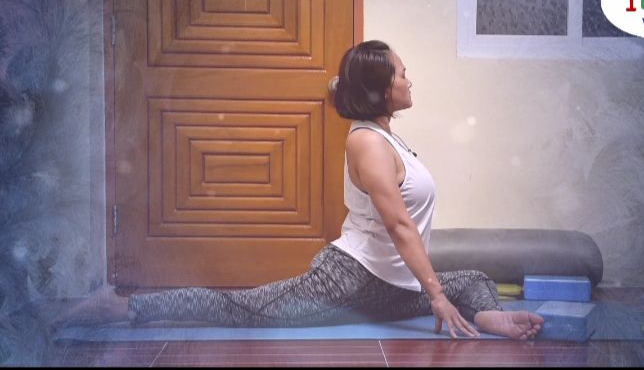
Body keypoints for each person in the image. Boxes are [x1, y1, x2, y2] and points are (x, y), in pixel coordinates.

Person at [58, 40, 544, 340]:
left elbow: (412, 232)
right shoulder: (368, 143)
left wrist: (478, 310)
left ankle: (492, 316)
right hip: (348, 280)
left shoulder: (391, 138)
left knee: (474, 280)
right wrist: (436, 295)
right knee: (244, 309)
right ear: (381, 89)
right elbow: (399, 224)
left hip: (397, 289)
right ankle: (125, 306)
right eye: (401, 73)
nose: (409, 79)